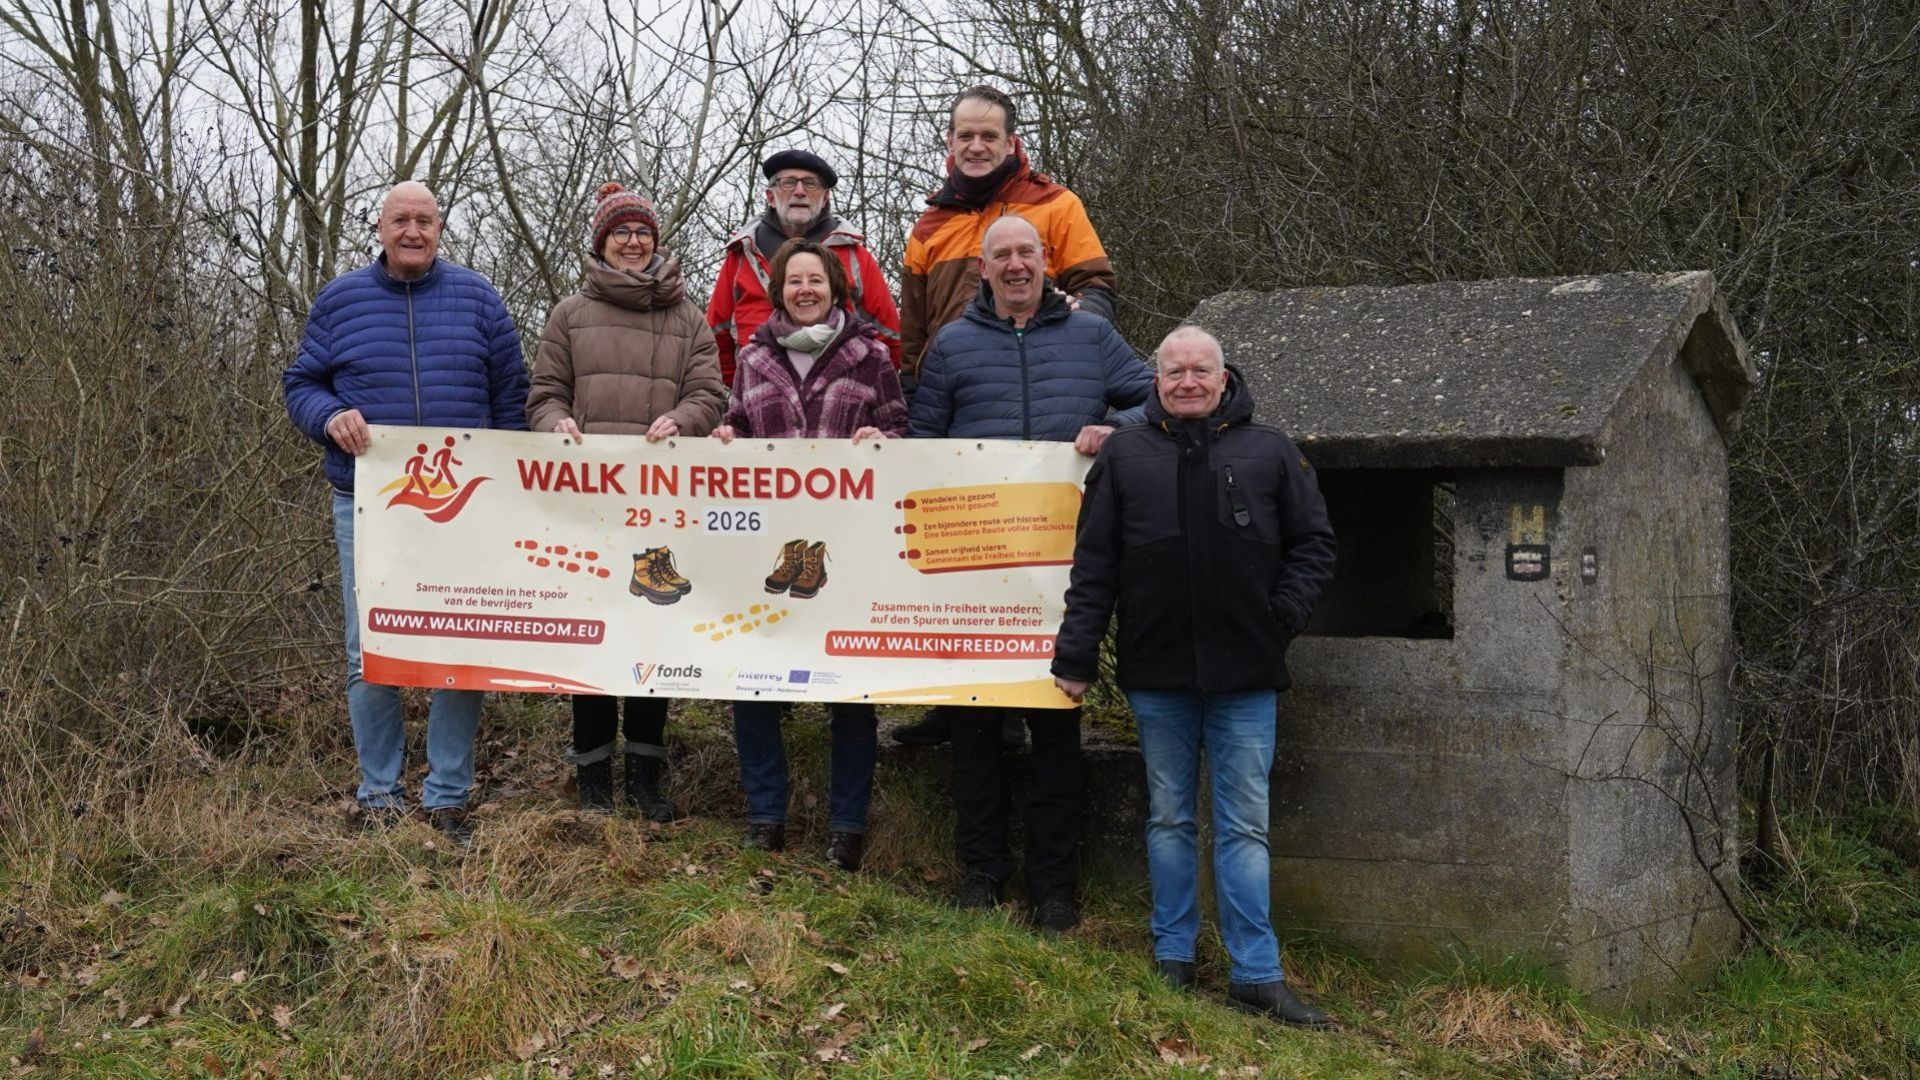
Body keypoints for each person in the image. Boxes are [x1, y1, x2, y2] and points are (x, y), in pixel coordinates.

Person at [1051, 326, 1338, 1028]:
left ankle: (1256, 973)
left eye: (1199, 370)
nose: (1187, 381)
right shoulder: (1125, 457)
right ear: (1155, 381)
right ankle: (1171, 958)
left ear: (1222, 376)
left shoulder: (1271, 450)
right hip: (1157, 672)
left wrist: (1279, 620)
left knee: (1244, 826)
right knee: (1170, 818)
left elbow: (1315, 546)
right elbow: (1094, 567)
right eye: (1173, 371)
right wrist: (1077, 656)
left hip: (1246, 673)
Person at [906, 214, 1152, 931]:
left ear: (1046, 261)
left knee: (1056, 735)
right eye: (1001, 256)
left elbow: (1152, 399)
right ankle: (980, 874)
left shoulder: (1092, 336)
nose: (1016, 265)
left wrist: (1118, 431)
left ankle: (1054, 889)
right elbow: (921, 446)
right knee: (974, 735)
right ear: (981, 269)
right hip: (972, 571)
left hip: (1064, 572)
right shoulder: (951, 346)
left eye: (1026, 253)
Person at [283, 181, 529, 847]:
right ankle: (380, 796)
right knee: (372, 651)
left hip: (467, 506)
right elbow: (301, 384)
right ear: (381, 228)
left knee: (461, 644)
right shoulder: (341, 300)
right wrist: (329, 416)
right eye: (401, 220)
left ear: (440, 228)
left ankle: (448, 794)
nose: (413, 230)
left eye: (424, 219)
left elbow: (512, 394)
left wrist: (513, 489)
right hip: (367, 503)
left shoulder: (478, 298)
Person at [891, 84, 1117, 749]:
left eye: (990, 135)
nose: (977, 145)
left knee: (1043, 576)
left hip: (1046, 421)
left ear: (1012, 141)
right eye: (966, 135)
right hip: (958, 422)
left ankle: (1035, 694)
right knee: (961, 580)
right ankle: (953, 701)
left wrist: (1081, 328)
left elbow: (1097, 286)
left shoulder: (1054, 204)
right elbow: (912, 335)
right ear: (949, 145)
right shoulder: (928, 226)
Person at [527, 182, 725, 820]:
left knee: (653, 636)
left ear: (656, 241)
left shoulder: (689, 318)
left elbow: (710, 394)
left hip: (663, 507)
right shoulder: (569, 315)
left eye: (643, 232)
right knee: (594, 642)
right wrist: (554, 424)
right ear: (601, 242)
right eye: (621, 232)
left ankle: (646, 778)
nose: (634, 241)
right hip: (586, 509)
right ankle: (591, 784)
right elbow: (544, 394)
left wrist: (686, 421)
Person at [711, 236, 907, 872]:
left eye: (815, 281)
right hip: (768, 554)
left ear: (835, 288)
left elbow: (904, 432)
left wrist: (886, 437)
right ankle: (766, 816)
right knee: (753, 681)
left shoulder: (869, 355)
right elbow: (737, 426)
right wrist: (724, 438)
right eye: (793, 281)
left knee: (850, 691)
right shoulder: (751, 359)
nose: (805, 290)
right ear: (778, 291)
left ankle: (846, 827)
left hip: (850, 549)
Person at [707, 149, 901, 387]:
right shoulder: (741, 256)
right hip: (758, 401)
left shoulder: (854, 256)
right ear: (770, 196)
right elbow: (715, 339)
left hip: (840, 405)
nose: (799, 191)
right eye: (788, 183)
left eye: (810, 184)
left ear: (825, 196)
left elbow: (889, 337)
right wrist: (745, 387)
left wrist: (860, 392)